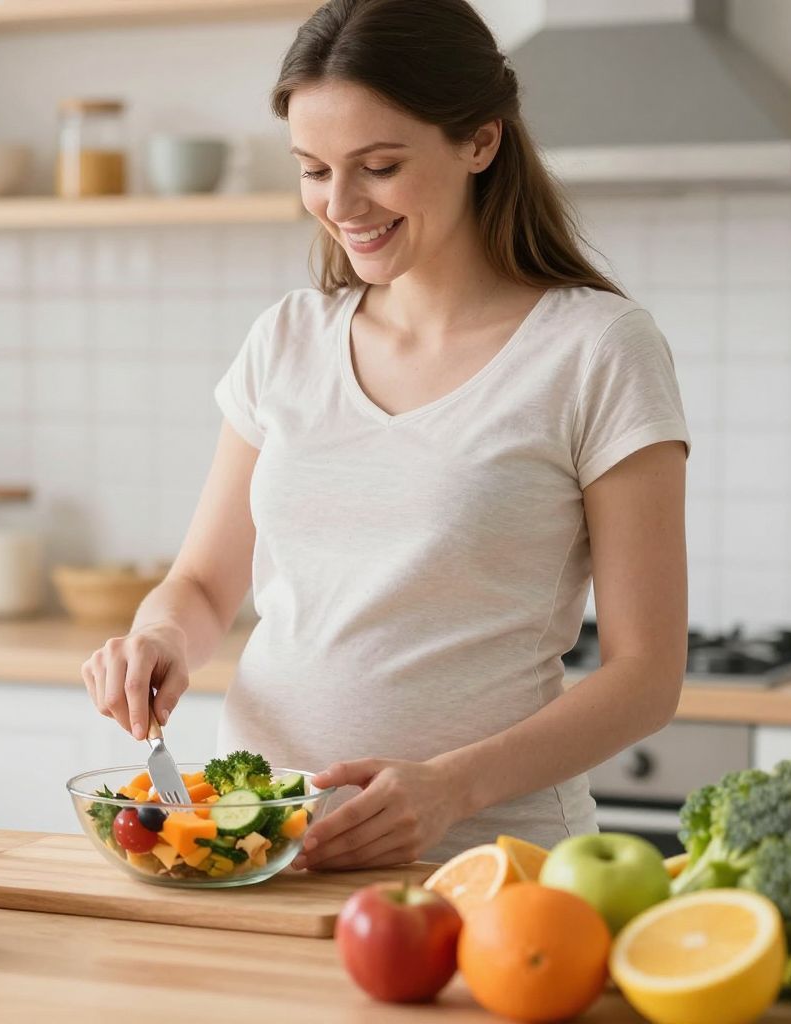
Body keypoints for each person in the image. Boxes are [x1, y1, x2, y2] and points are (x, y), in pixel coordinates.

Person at [80, 0, 689, 868]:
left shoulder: (596, 349)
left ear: (480, 142)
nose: (340, 204)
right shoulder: (287, 339)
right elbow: (204, 586)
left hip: (486, 865)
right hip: (263, 851)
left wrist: (451, 788)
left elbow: (646, 678)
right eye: (313, 169)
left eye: (379, 166)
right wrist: (160, 640)